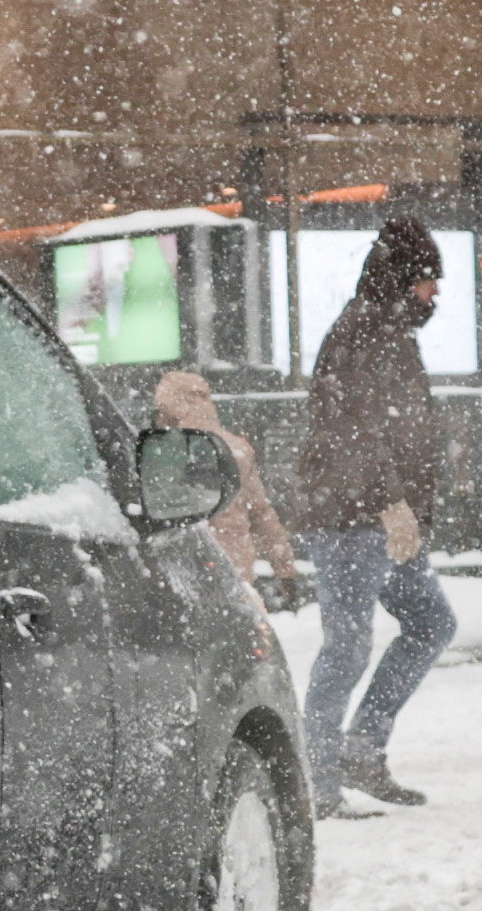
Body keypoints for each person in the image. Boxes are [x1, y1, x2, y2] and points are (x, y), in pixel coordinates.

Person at [285, 217, 457, 812]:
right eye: (430, 280)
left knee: (431, 623)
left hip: (384, 516)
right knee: (347, 646)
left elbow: (398, 428)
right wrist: (392, 503)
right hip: (351, 517)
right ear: (404, 279)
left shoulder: (389, 331)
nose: (436, 293)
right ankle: (319, 781)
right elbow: (350, 428)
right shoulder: (364, 331)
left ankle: (360, 751)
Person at [148, 363, 303, 617]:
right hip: (235, 568)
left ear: (169, 406)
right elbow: (262, 514)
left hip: (183, 572)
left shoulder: (164, 451)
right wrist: (284, 568)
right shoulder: (235, 448)